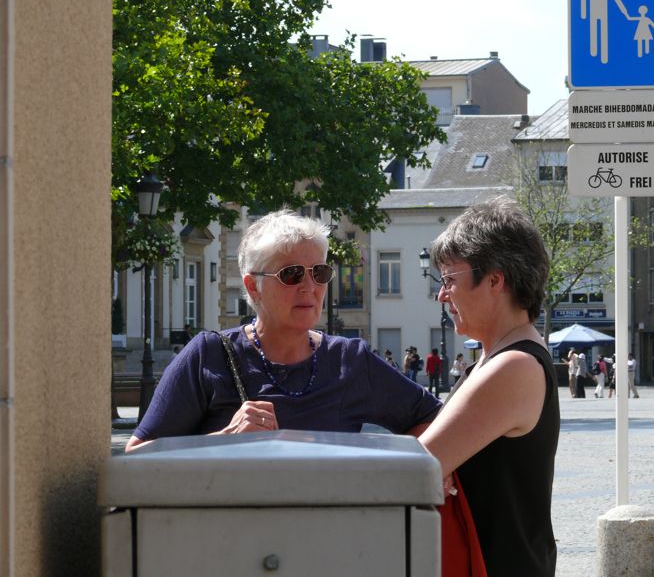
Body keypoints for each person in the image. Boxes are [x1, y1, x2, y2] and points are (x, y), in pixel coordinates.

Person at [126, 209, 441, 452]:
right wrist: (224, 439)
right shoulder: (209, 356)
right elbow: (138, 455)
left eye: (319, 272)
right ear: (254, 286)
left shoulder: (349, 360)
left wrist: (417, 469)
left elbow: (434, 420)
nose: (309, 287)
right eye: (292, 274)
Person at [418, 197, 560, 576]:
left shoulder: (514, 365)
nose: (442, 295)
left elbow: (419, 466)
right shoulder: (498, 357)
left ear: (495, 280)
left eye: (450, 280)